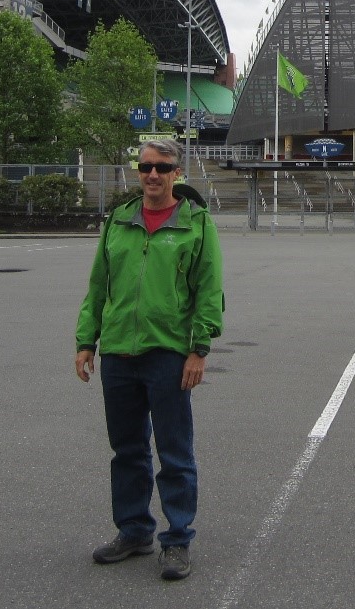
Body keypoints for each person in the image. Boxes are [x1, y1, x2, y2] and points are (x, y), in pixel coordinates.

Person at [75, 139, 224, 582]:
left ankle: (177, 539)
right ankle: (134, 529)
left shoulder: (196, 224)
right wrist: (87, 340)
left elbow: (209, 291)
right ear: (137, 172)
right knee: (127, 450)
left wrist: (199, 349)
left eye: (162, 167)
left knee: (174, 452)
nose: (153, 175)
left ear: (177, 172)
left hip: (168, 353)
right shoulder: (119, 221)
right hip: (119, 352)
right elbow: (98, 285)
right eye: (145, 167)